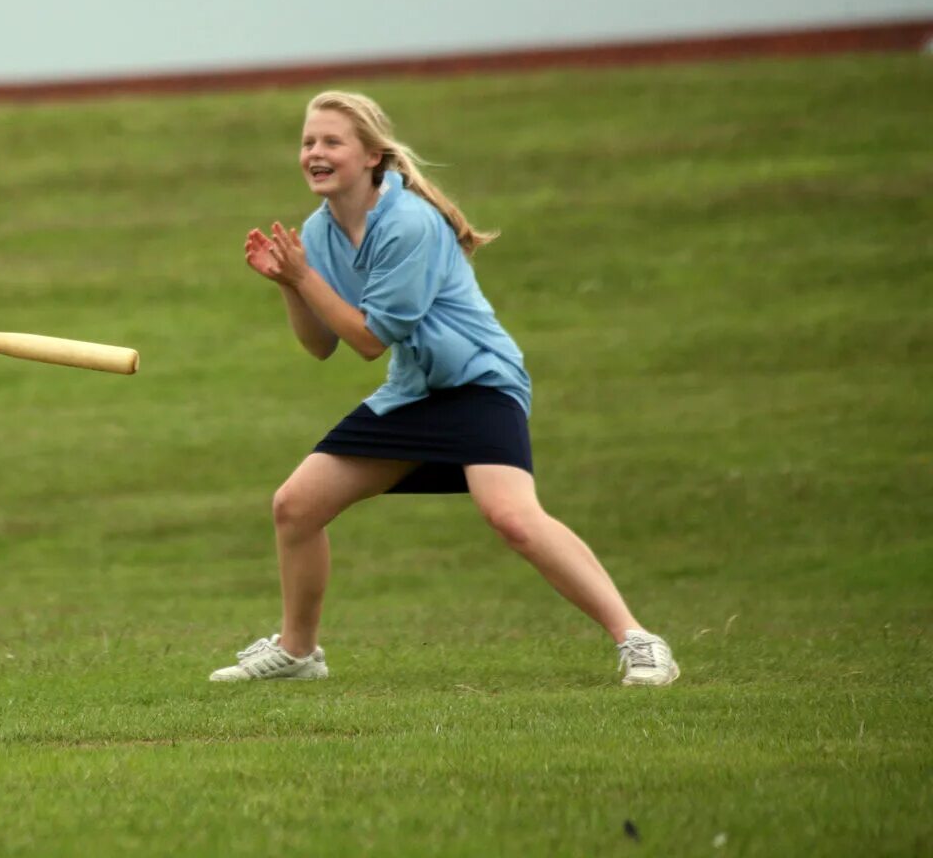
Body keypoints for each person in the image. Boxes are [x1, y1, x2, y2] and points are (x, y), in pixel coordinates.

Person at [210, 90, 678, 687]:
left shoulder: (409, 223)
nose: (315, 153)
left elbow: (370, 339)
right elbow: (321, 344)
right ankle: (299, 654)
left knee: (512, 517)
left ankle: (638, 640)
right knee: (296, 506)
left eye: (332, 142)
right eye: (308, 142)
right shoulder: (319, 232)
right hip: (414, 393)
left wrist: (304, 276)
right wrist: (288, 283)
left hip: (479, 383)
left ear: (373, 156)